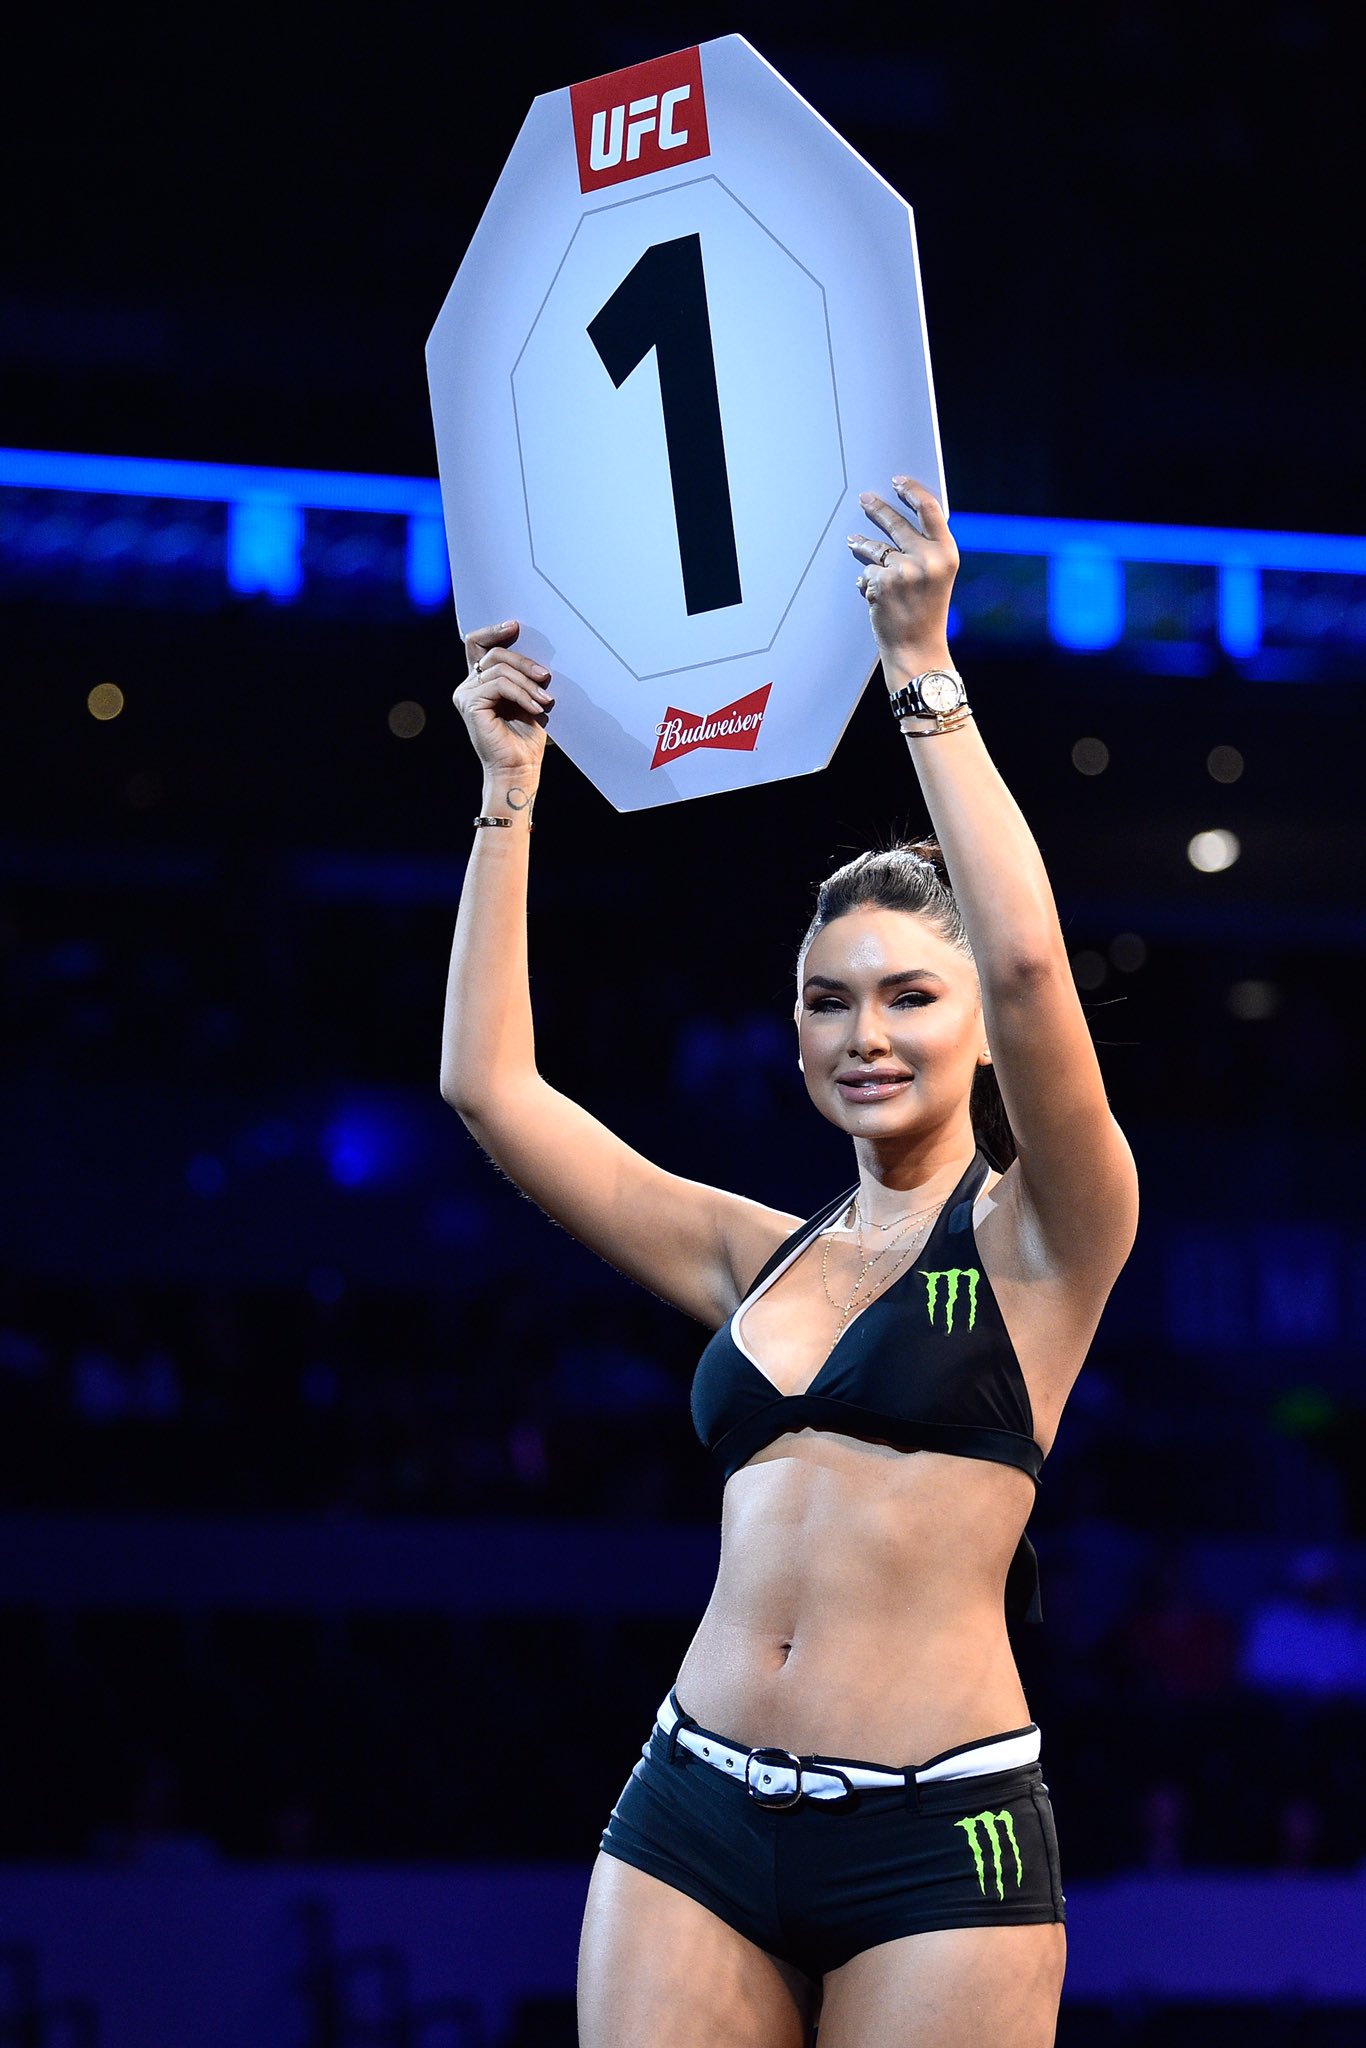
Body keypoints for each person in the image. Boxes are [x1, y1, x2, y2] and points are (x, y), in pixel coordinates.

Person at [441, 477, 1139, 2047]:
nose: (864, 1034)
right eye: (828, 1001)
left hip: (937, 1843)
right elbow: (490, 1091)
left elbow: (1028, 957)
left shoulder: (1048, 1234)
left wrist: (919, 668)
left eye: (907, 996)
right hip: (690, 1809)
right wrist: (508, 790)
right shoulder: (752, 1257)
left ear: (977, 1034)